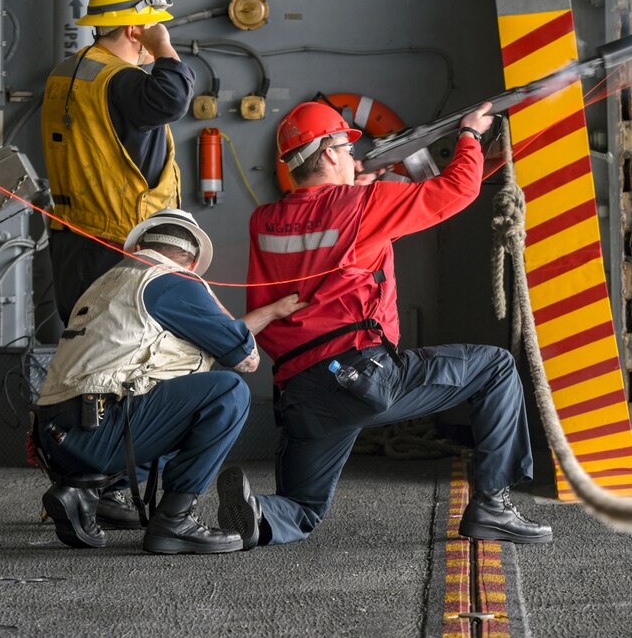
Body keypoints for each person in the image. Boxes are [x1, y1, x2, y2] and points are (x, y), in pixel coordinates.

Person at [216, 101, 552, 549]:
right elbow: (454, 191)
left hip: (300, 392)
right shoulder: (362, 204)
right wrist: (470, 134)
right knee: (495, 368)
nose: (353, 156)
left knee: (304, 506)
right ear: (331, 154)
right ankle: (491, 506)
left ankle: (258, 513)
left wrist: (357, 191)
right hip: (362, 378)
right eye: (344, 146)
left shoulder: (265, 222)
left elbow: (323, 234)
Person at [34, 209, 306, 554]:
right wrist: (204, 292)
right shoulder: (173, 282)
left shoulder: (108, 282)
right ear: (192, 260)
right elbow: (246, 359)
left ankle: (90, 494)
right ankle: (175, 521)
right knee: (228, 393)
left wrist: (270, 312)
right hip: (98, 432)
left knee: (169, 399)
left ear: (141, 245)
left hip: (55, 438)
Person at [41, 0, 193, 325]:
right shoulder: (122, 81)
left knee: (87, 350)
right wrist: (162, 46)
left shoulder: (65, 73)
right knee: (126, 357)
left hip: (74, 245)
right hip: (123, 248)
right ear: (134, 30)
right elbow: (174, 97)